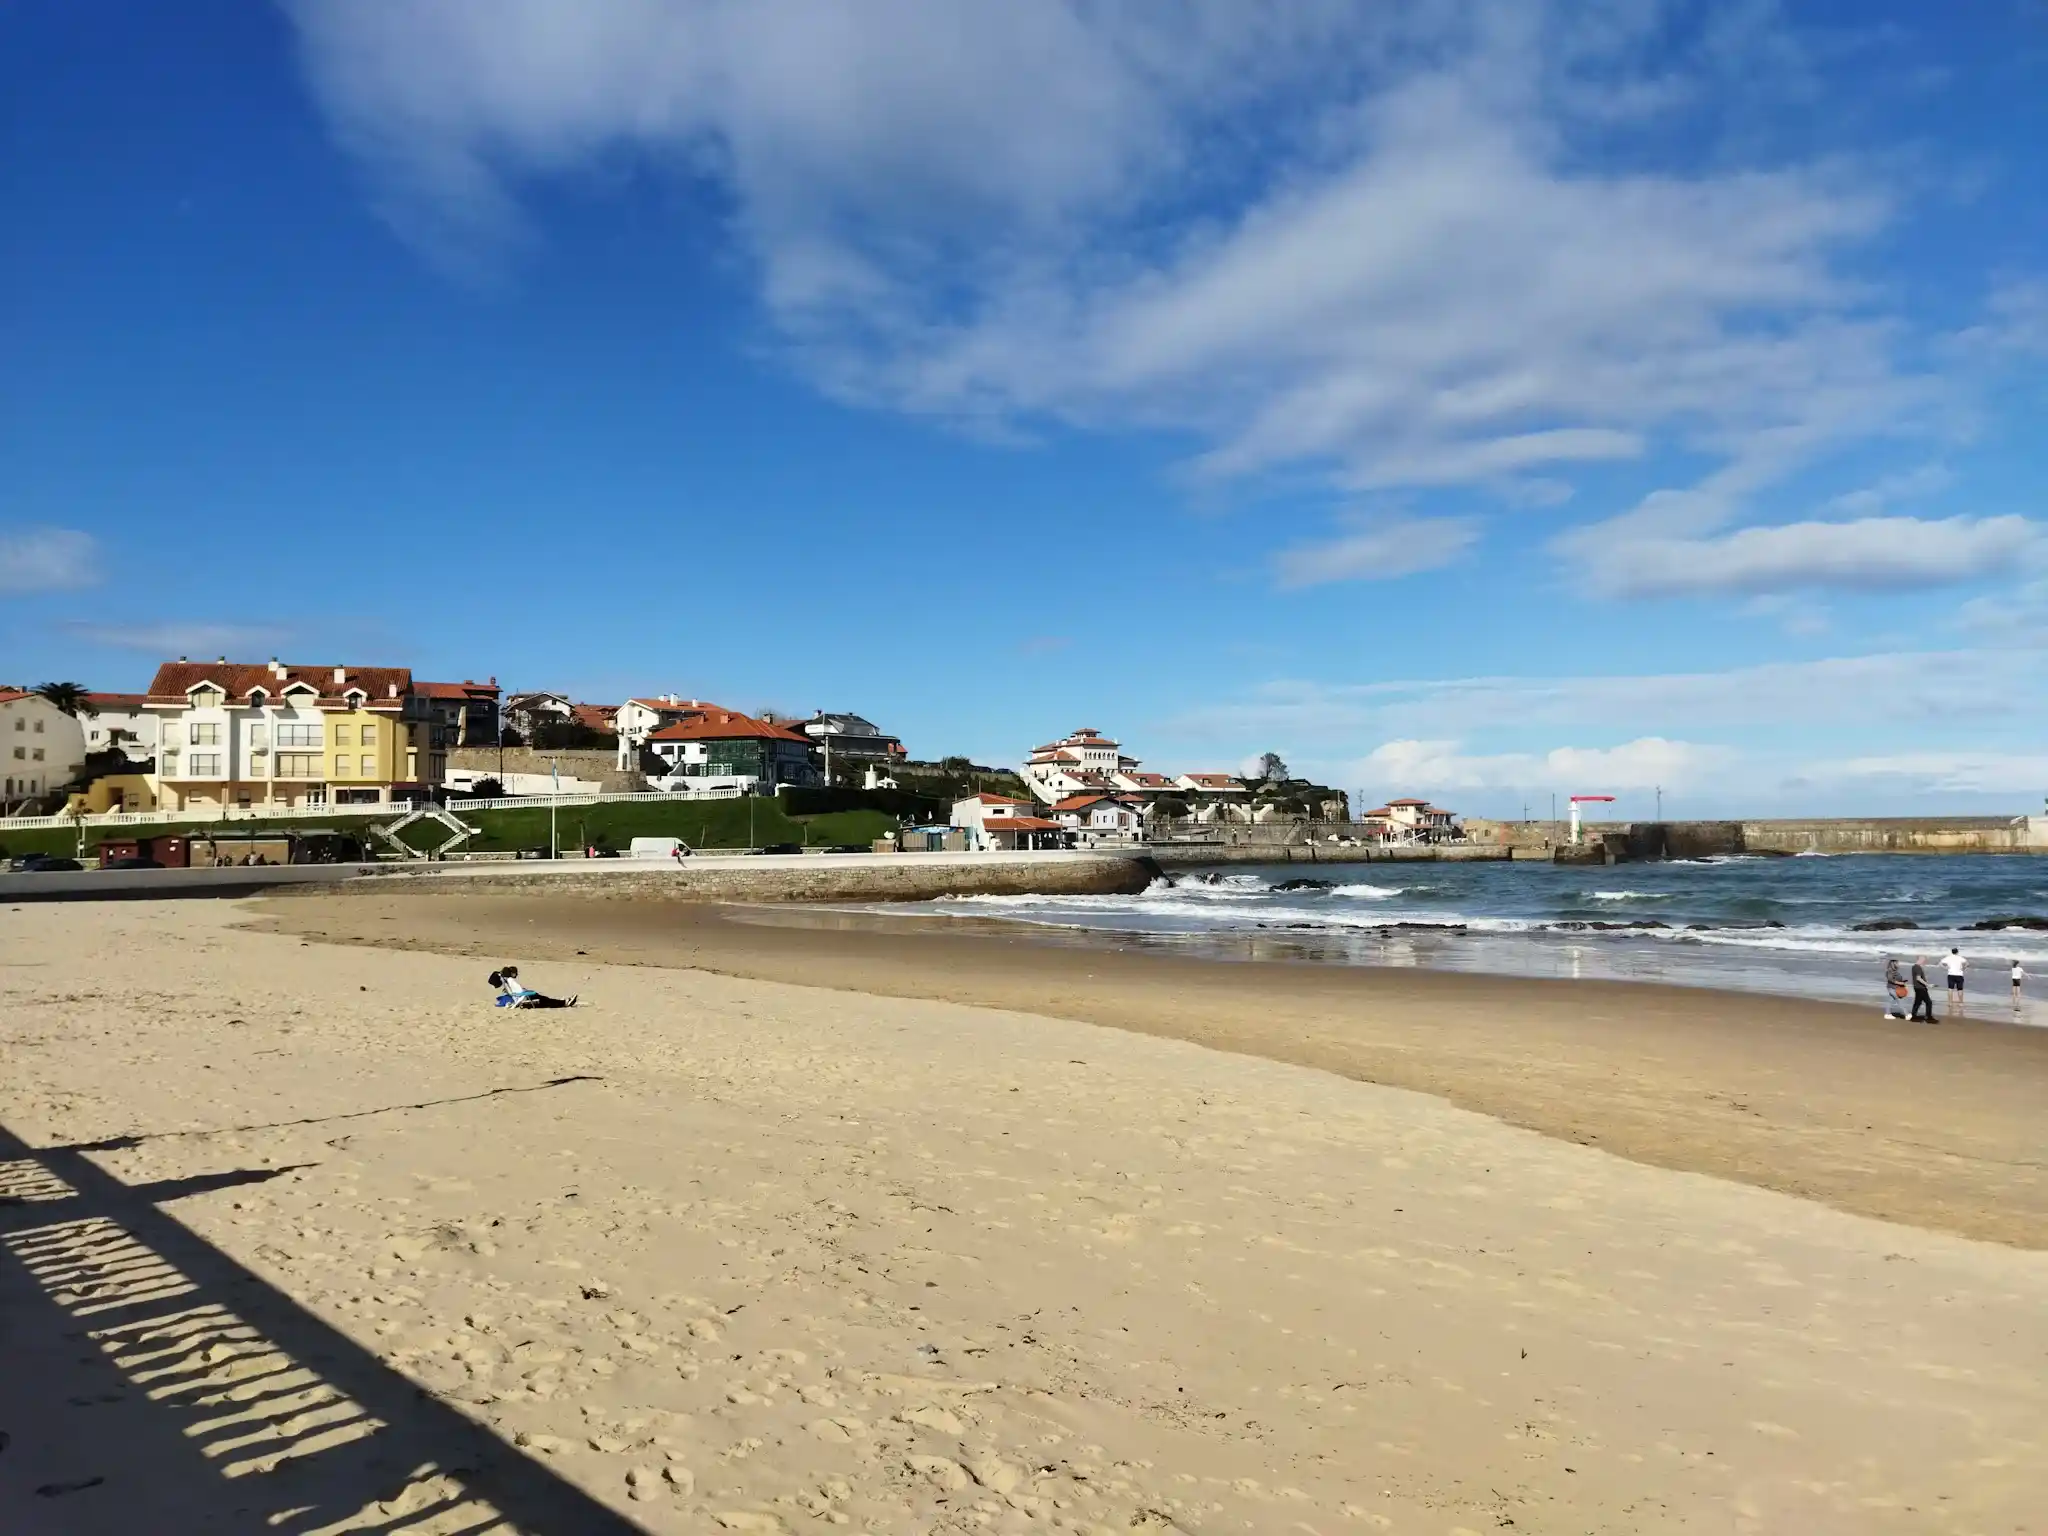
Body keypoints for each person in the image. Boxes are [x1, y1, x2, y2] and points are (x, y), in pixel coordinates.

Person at [488, 965, 577, 1009]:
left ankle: (563, 1002)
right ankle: (564, 1003)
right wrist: (515, 1004)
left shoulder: (505, 981)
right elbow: (519, 992)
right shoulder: (510, 981)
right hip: (525, 998)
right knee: (545, 1001)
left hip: (522, 998)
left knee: (545, 999)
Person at [1909, 956, 1937, 1023]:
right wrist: (1928, 985)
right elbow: (1918, 978)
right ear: (1920, 959)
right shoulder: (1918, 967)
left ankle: (1913, 1016)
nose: (1924, 961)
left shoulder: (1914, 967)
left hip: (1917, 987)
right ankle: (1929, 1017)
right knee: (1928, 1002)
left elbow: (1918, 977)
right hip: (1920, 988)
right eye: (1924, 960)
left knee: (1917, 1002)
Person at [1943, 947, 1967, 1016]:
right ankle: (1961, 1003)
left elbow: (1940, 963)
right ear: (1957, 952)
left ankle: (1950, 1003)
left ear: (1952, 952)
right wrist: (1963, 968)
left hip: (1951, 974)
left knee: (1950, 989)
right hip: (1959, 974)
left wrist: (1946, 968)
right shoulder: (1960, 958)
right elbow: (1967, 963)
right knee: (1960, 989)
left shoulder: (1948, 957)